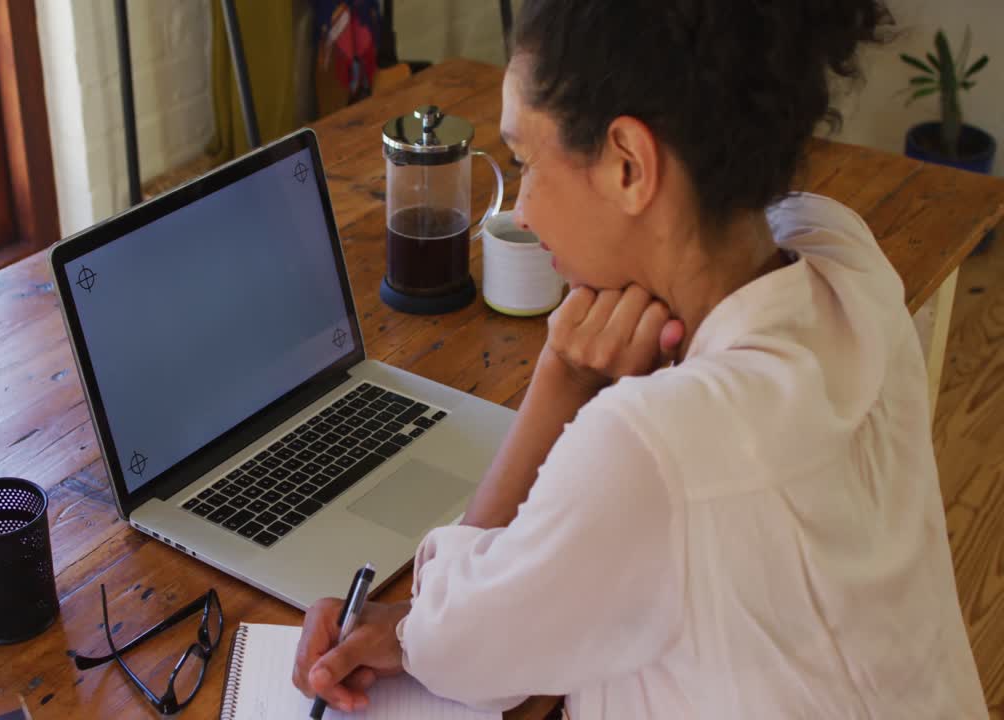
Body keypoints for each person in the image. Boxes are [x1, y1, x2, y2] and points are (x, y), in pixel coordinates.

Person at [291, 0, 990, 717]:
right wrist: (415, 630)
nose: (522, 210)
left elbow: (458, 653)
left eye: (526, 162)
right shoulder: (847, 259)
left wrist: (561, 378)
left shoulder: (655, 446)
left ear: (629, 164)